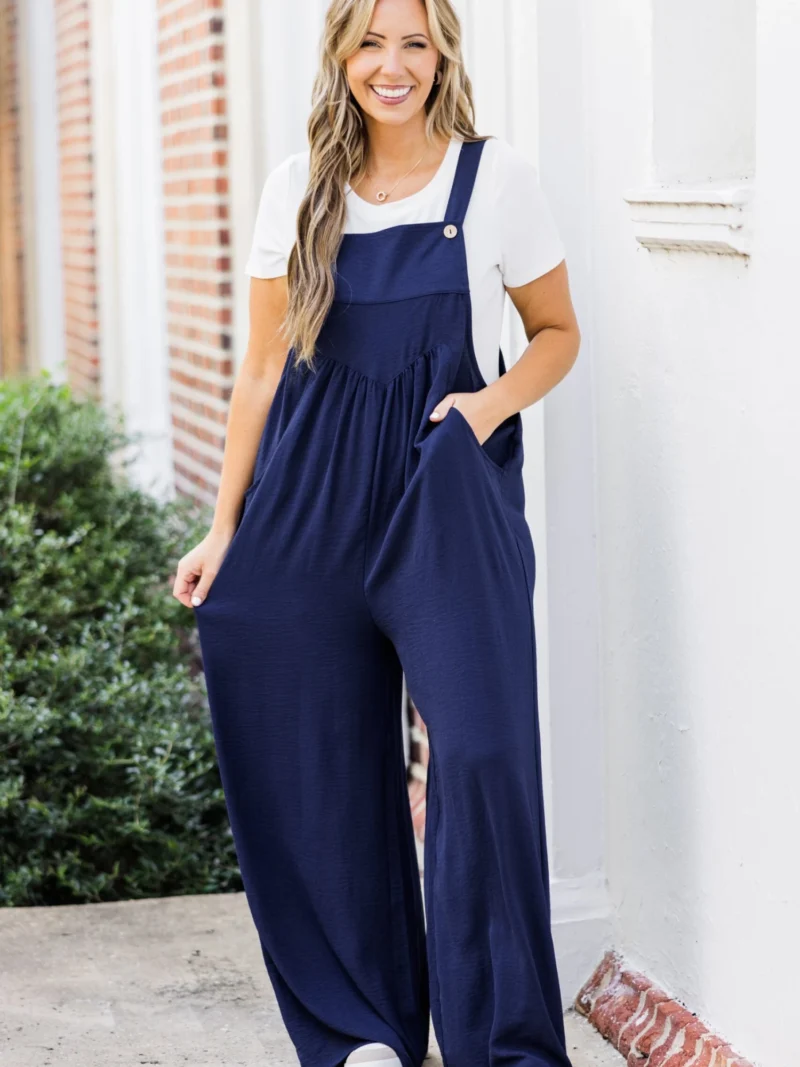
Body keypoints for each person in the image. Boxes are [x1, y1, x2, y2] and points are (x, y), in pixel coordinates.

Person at [173, 0, 581, 1064]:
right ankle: (363, 1028)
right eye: (369, 42)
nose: (390, 65)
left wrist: (486, 408)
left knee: (482, 750)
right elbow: (261, 371)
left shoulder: (495, 181)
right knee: (310, 740)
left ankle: (502, 1041)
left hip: (445, 490)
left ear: (441, 55)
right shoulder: (297, 189)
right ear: (340, 55)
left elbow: (555, 333)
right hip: (314, 490)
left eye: (412, 43)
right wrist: (224, 528)